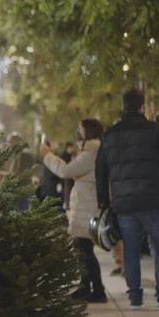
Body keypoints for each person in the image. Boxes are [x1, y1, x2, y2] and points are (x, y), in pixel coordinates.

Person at [96, 89, 159, 310]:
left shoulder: (110, 134)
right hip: (153, 200)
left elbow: (101, 171)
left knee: (131, 250)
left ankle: (135, 297)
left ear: (123, 108)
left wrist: (103, 203)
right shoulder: (156, 130)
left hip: (123, 204)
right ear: (142, 107)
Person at [41, 119, 108, 303]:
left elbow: (65, 171)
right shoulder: (90, 151)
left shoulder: (91, 153)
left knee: (84, 251)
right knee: (82, 251)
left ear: (88, 131)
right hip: (86, 207)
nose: (77, 132)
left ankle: (96, 291)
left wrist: (48, 156)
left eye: (79, 129)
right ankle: (86, 288)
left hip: (87, 208)